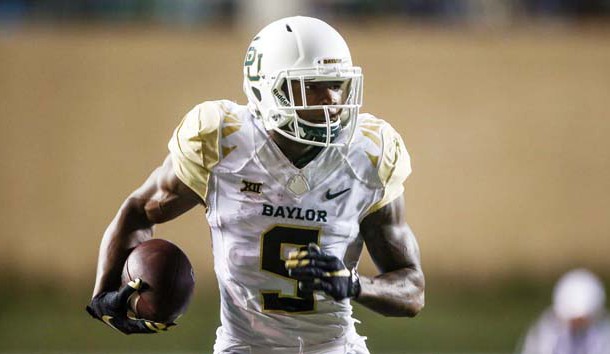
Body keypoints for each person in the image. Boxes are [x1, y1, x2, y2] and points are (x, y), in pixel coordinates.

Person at [86, 16, 425, 354]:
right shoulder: (223, 141)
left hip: (335, 347)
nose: (332, 102)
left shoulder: (369, 152)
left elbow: (412, 289)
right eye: (312, 85)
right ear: (267, 87)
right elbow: (139, 211)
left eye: (336, 85)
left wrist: (354, 285)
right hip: (243, 347)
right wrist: (104, 294)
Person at [519, 269, 610, 354]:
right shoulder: (544, 335)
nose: (578, 325)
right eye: (574, 320)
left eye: (582, 320)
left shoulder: (605, 334)